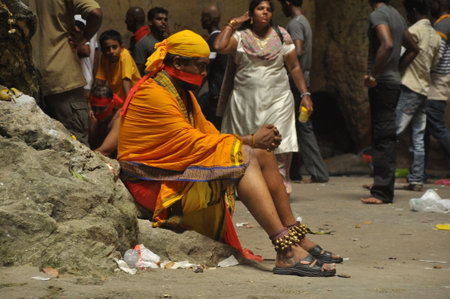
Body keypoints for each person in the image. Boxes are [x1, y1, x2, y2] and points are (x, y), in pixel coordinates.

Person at [118, 30, 341, 277]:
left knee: (262, 154)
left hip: (172, 172)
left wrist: (256, 143)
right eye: (200, 67)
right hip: (151, 183)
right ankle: (285, 249)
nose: (204, 74)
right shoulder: (153, 92)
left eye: (206, 67)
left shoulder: (181, 93)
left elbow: (208, 135)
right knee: (244, 156)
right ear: (178, 63)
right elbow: (190, 142)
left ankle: (294, 236)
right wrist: (250, 140)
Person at [214, 0, 313, 195]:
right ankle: (243, 185)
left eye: (268, 9)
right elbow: (219, 46)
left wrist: (305, 94)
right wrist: (232, 22)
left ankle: (280, 186)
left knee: (279, 142)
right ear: (251, 13)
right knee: (244, 141)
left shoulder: (282, 35)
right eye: (260, 9)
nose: (265, 12)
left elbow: (294, 67)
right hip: (244, 102)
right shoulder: (240, 37)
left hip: (278, 99)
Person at [361, 0, 419, 204]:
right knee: (384, 134)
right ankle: (381, 186)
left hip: (382, 84)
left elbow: (387, 44)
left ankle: (382, 192)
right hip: (392, 82)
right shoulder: (397, 15)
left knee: (383, 135)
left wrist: (373, 75)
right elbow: (413, 48)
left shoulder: (378, 15)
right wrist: (397, 71)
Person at [30, 0, 102, 145]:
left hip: (30, 79)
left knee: (43, 145)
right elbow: (95, 12)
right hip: (63, 78)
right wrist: (84, 39)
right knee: (76, 144)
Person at [278, 0, 329, 184]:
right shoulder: (303, 21)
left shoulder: (295, 24)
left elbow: (297, 50)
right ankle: (297, 171)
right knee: (299, 126)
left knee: (303, 126)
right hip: (302, 79)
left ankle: (318, 172)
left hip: (296, 81)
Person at [395, 0, 442, 192]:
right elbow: (436, 64)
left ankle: (383, 180)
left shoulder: (414, 31)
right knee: (418, 136)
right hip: (424, 88)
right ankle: (416, 179)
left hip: (409, 87)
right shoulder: (435, 35)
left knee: (392, 133)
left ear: (413, 11)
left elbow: (400, 55)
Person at [426, 0, 450, 164]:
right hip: (441, 81)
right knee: (425, 129)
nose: (430, 5)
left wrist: (423, 66)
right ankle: (419, 172)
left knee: (437, 127)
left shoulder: (443, 24)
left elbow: (437, 55)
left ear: (440, 3)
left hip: (436, 82)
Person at [200, 4, 227, 130]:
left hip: (216, 97)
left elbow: (207, 69)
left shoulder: (213, 41)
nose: (201, 20)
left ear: (208, 20)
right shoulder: (226, 39)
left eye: (203, 17)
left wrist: (193, 93)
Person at [95, 30, 141, 101]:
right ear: (103, 51)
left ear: (121, 47)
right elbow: (100, 81)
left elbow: (126, 80)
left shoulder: (125, 56)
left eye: (114, 47)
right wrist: (95, 100)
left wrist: (127, 104)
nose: (111, 51)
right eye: (107, 48)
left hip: (133, 96)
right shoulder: (104, 58)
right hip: (118, 98)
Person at [88, 85, 123, 157]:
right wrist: (93, 126)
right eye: (94, 108)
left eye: (101, 109)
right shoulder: (93, 117)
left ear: (112, 104)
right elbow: (91, 144)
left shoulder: (119, 117)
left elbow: (105, 151)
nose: (97, 112)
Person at [75, 15, 100, 94]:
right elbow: (95, 54)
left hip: (77, 82)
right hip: (86, 80)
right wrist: (93, 79)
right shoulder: (90, 20)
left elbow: (85, 50)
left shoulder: (75, 19)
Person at [125, 7, 153, 76]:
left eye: (127, 18)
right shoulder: (137, 38)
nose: (125, 21)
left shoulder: (141, 41)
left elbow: (138, 73)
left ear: (133, 19)